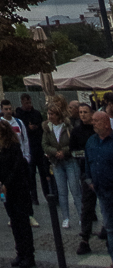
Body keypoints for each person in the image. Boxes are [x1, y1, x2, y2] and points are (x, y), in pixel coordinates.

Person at [0, 115, 35, 268]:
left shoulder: (13, 147)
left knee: (22, 221)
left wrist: (7, 183)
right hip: (3, 190)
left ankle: (29, 255)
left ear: (3, 132)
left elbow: (17, 168)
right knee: (13, 221)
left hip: (17, 188)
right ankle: (19, 252)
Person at [43, 99, 82, 229]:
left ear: (58, 115)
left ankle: (82, 216)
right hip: (57, 162)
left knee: (75, 190)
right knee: (62, 191)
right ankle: (65, 217)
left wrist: (64, 151)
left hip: (69, 161)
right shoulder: (47, 128)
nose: (50, 116)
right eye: (49, 114)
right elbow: (44, 144)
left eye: (52, 114)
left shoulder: (68, 127)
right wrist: (54, 152)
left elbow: (73, 142)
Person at [85, 109, 113, 267]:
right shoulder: (91, 141)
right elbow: (88, 162)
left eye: (96, 121)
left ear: (106, 123)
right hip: (101, 190)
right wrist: (89, 179)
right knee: (109, 226)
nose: (93, 123)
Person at [72, 101, 99, 255]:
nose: (82, 115)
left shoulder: (97, 130)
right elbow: (73, 151)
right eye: (80, 112)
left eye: (85, 112)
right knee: (87, 207)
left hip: (101, 172)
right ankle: (85, 239)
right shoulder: (76, 132)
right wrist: (84, 154)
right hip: (86, 173)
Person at [16, 94, 48, 206]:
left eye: (30, 102)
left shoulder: (36, 113)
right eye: (26, 103)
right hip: (29, 148)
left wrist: (37, 127)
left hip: (39, 147)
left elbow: (41, 127)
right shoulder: (19, 115)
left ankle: (47, 195)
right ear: (22, 102)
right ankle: (33, 197)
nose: (29, 105)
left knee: (44, 173)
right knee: (31, 174)